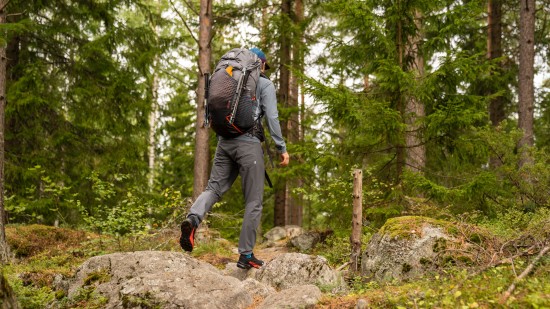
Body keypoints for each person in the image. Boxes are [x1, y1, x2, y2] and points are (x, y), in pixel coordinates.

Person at [180, 47, 290, 269]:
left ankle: (193, 219)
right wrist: (282, 148)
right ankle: (246, 254)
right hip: (249, 144)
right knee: (253, 200)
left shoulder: (228, 76)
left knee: (214, 188)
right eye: (264, 66)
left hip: (224, 141)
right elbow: (272, 116)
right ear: (259, 64)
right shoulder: (265, 84)